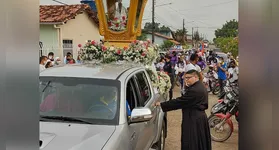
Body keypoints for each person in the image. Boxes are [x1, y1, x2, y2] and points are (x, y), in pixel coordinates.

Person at [154, 70, 211, 150]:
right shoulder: (198, 86)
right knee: (198, 142)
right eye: (185, 78)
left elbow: (180, 102)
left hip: (193, 119)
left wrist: (162, 104)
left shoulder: (195, 90)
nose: (186, 80)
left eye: (188, 78)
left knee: (191, 141)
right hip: (197, 117)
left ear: (195, 77)